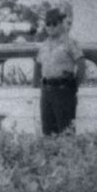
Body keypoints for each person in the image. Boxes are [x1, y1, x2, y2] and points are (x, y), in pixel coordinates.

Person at [35, 8, 85, 136]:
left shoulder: (70, 43)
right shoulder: (44, 45)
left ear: (61, 24)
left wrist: (73, 86)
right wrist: (39, 86)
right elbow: (38, 65)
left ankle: (65, 156)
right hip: (46, 91)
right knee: (48, 132)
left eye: (54, 23)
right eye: (48, 23)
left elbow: (81, 65)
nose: (51, 27)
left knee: (66, 131)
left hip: (64, 90)